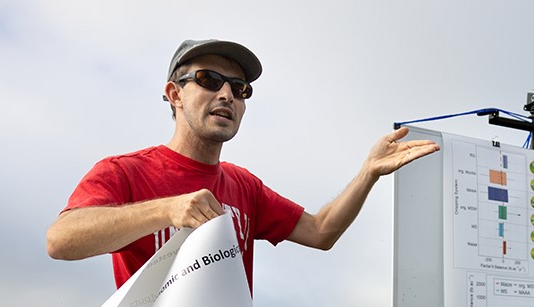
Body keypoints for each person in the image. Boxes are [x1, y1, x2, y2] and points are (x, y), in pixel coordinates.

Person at [46, 39, 439, 290]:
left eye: (239, 88)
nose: (226, 95)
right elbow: (61, 240)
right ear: (174, 94)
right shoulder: (124, 172)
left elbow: (321, 233)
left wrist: (368, 171)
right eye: (208, 79)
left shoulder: (243, 185)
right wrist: (166, 209)